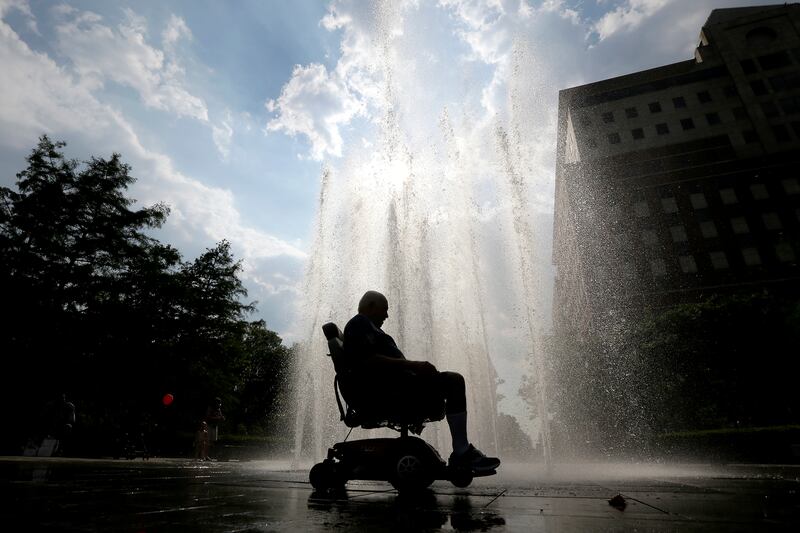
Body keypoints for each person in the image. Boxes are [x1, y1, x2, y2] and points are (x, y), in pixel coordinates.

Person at [343, 290, 500, 472]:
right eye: (384, 309)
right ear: (370, 306)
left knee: (451, 381)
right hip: (385, 393)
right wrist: (416, 366)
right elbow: (367, 361)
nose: (387, 315)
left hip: (395, 390)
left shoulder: (368, 327)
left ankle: (461, 451)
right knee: (453, 381)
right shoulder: (359, 323)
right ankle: (462, 452)